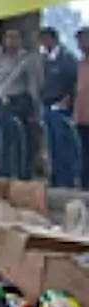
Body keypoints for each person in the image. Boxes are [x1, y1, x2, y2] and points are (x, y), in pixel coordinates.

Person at [0, 27, 43, 180]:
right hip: (3, 103)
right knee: (3, 140)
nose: (12, 41)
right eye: (9, 38)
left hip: (20, 102)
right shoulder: (0, 59)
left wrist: (35, 108)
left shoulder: (27, 59)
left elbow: (34, 83)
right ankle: (3, 172)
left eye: (15, 37)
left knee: (23, 142)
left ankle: (23, 174)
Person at [39, 27, 80, 188]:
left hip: (62, 105)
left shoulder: (67, 59)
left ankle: (67, 179)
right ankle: (56, 178)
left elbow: (74, 82)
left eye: (45, 40)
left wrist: (67, 99)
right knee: (52, 145)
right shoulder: (45, 60)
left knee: (64, 145)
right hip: (48, 104)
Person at [73, 28, 89, 189]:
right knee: (84, 153)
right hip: (82, 116)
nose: (81, 46)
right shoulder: (81, 64)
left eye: (83, 41)